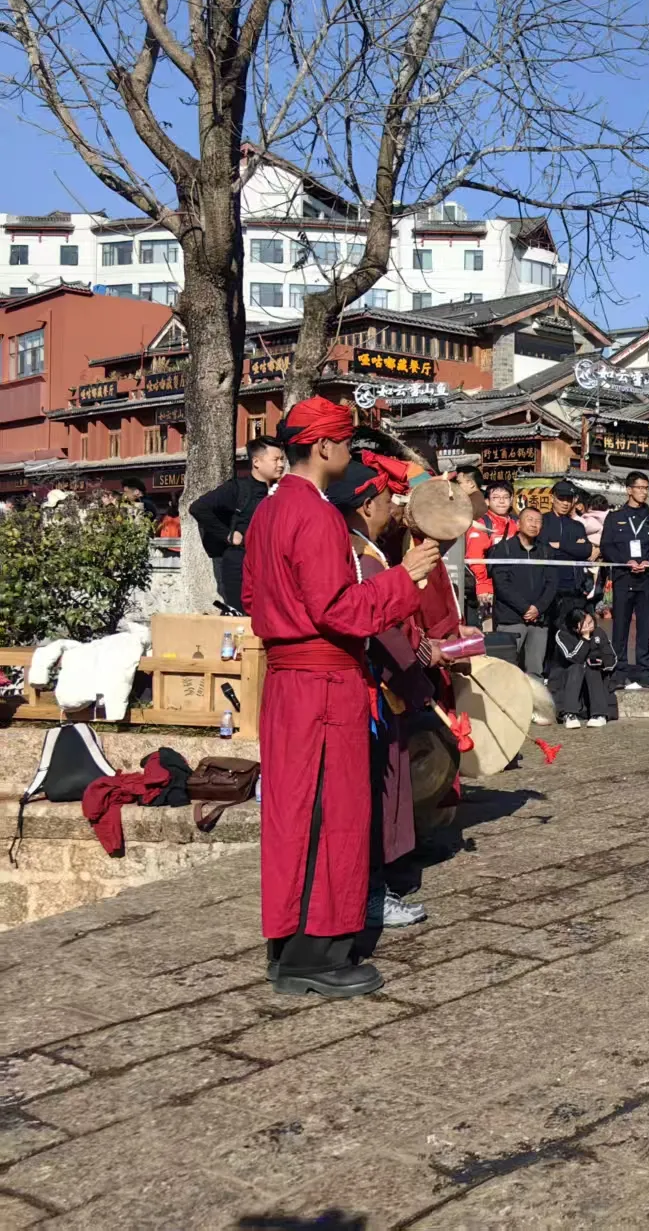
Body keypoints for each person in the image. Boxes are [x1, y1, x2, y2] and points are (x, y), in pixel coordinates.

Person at [243, 397, 440, 998]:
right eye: (346, 442)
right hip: (325, 686)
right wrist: (404, 580)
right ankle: (317, 955)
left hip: (288, 680)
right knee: (331, 816)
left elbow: (254, 598)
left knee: (293, 815)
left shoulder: (267, 514)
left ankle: (289, 947)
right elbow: (339, 611)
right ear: (324, 447)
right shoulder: (319, 517)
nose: (351, 453)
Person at [330, 451, 435, 930]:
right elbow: (384, 627)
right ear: (368, 504)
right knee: (374, 795)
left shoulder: (361, 549)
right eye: (389, 500)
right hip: (372, 688)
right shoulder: (359, 557)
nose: (395, 509)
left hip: (364, 684)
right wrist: (417, 674)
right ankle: (372, 893)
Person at [190, 435, 288, 613]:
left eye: (282, 459)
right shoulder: (237, 488)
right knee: (243, 619)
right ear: (256, 462)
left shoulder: (282, 492)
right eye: (275, 459)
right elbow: (198, 508)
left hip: (271, 566)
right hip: (239, 566)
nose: (280, 464)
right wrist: (229, 535)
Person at [604, 472, 649, 689]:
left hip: (647, 579)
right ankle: (619, 670)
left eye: (646, 488)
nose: (643, 492)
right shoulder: (615, 517)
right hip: (623, 577)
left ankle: (644, 671)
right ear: (629, 489)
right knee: (620, 627)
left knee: (645, 627)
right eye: (639, 487)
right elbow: (607, 546)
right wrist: (625, 560)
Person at [489, 507, 557, 677]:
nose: (534, 524)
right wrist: (525, 608)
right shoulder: (503, 549)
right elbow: (501, 584)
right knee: (506, 669)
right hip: (511, 618)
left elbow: (552, 583)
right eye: (530, 520)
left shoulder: (546, 551)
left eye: (538, 521)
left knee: (535, 671)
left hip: (538, 620)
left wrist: (538, 609)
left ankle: (535, 703)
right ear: (518, 524)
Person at [539, 480, 596, 662]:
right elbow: (544, 549)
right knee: (549, 631)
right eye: (561, 498)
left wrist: (560, 545)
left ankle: (570, 666)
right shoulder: (543, 522)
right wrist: (572, 547)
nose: (565, 503)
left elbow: (586, 551)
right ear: (552, 498)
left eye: (568, 499)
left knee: (572, 629)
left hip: (574, 588)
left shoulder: (577, 525)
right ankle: (548, 668)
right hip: (549, 587)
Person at [462, 480, 516, 627]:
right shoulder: (482, 525)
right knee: (489, 630)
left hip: (514, 589)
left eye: (505, 497)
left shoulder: (517, 524)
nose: (501, 501)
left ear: (512, 500)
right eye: (496, 497)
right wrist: (483, 585)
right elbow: (475, 558)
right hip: (489, 590)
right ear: (487, 501)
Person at [554, 606, 618, 728]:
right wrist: (585, 639)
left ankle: (599, 714)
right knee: (577, 667)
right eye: (585, 624)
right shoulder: (562, 635)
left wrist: (602, 662)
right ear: (575, 627)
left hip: (595, 678)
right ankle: (569, 713)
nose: (590, 625)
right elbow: (572, 657)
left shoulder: (599, 632)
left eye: (591, 621)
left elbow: (612, 657)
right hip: (571, 677)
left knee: (592, 667)